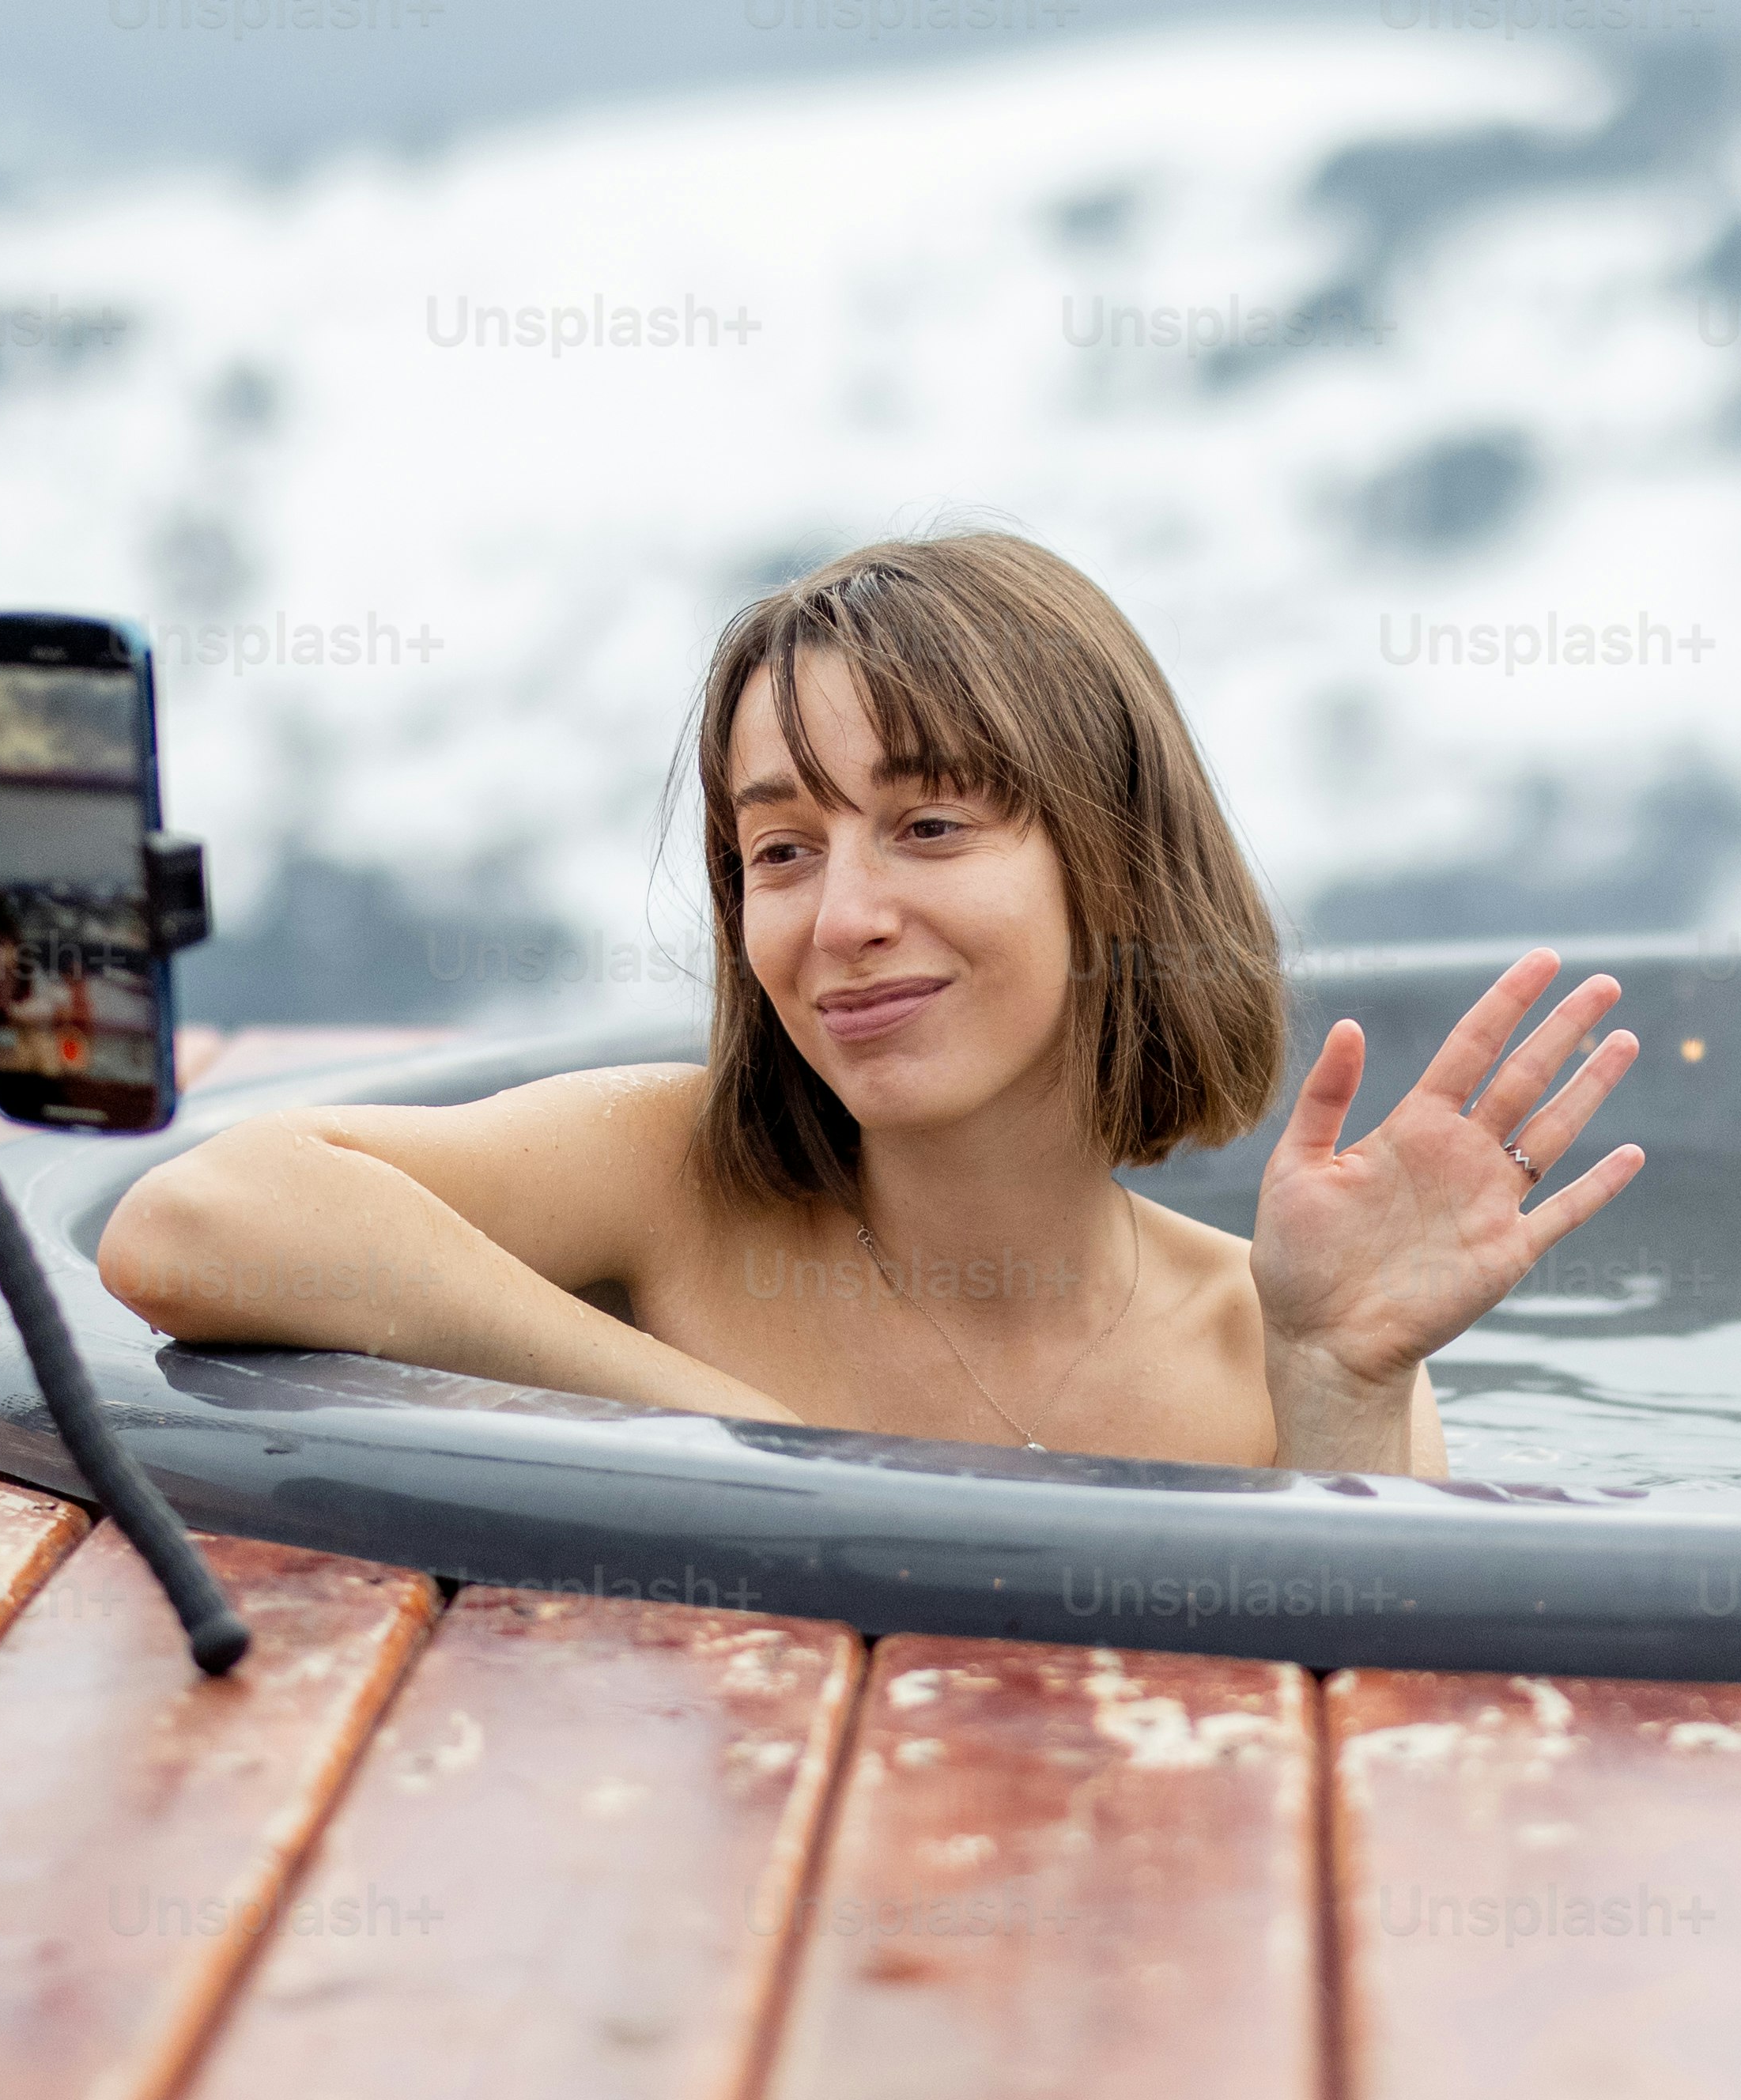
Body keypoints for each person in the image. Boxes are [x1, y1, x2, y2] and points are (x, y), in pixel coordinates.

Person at [96, 531, 1641, 1473]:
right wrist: (719, 1433)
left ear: (1111, 869)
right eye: (779, 848)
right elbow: (195, 1222)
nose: (841, 919)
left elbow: (1366, 1757)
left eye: (928, 828)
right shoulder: (672, 1183)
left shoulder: (1273, 1339)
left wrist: (1335, 1392)